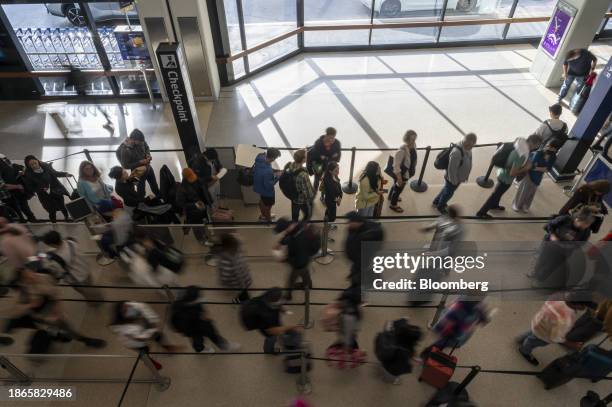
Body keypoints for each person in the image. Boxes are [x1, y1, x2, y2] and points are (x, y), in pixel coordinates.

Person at [6, 266, 106, 351]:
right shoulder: (25, 291)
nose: (32, 276)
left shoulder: (44, 277)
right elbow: (15, 311)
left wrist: (58, 309)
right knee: (63, 328)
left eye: (30, 272)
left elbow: (55, 293)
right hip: (42, 316)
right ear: (23, 281)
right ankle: (85, 340)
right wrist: (30, 305)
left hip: (53, 312)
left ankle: (65, 336)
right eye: (27, 277)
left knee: (63, 327)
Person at [517, 292, 595, 366]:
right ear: (578, 305)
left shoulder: (558, 295)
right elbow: (556, 338)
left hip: (539, 320)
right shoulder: (566, 319)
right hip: (544, 334)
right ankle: (524, 351)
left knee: (532, 332)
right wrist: (572, 344)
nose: (584, 308)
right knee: (533, 341)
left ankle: (520, 339)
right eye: (584, 306)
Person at [110, 301, 180, 370]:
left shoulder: (133, 305)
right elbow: (141, 338)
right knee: (144, 351)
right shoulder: (124, 328)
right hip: (133, 342)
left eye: (128, 306)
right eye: (125, 310)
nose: (129, 308)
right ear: (122, 316)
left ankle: (168, 348)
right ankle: (150, 363)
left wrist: (151, 322)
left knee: (158, 336)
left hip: (141, 327)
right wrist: (152, 330)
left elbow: (144, 309)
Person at [170, 286, 240, 353]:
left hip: (198, 323)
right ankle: (207, 348)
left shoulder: (186, 301)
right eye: (198, 298)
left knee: (204, 336)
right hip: (194, 328)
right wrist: (203, 318)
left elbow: (199, 307)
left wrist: (203, 313)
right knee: (201, 337)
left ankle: (216, 345)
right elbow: (181, 326)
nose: (201, 298)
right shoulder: (182, 314)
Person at [476, 137, 533, 219]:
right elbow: (513, 172)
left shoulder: (519, 145)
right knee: (495, 195)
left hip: (501, 172)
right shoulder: (522, 155)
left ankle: (494, 205)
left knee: (498, 193)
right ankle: (481, 212)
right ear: (533, 144)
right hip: (506, 179)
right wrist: (526, 168)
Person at [41, 230, 103, 303]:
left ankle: (94, 301)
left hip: (77, 278)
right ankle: (97, 295)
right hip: (85, 269)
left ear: (52, 244)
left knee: (85, 291)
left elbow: (58, 273)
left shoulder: (57, 258)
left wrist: (43, 258)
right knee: (90, 285)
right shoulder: (71, 241)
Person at [423, 295, 491, 356]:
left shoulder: (466, 298)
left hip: (452, 323)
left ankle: (427, 353)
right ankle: (429, 352)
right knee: (445, 341)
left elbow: (455, 302)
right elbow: (484, 321)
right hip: (457, 326)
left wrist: (449, 305)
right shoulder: (480, 308)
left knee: (443, 340)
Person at [244, 287, 303, 354]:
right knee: (271, 339)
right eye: (279, 300)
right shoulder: (266, 315)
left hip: (273, 322)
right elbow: (272, 331)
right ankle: (268, 351)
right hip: (268, 330)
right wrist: (291, 327)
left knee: (279, 329)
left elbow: (278, 304)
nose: (282, 301)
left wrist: (283, 310)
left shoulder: (266, 298)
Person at [274, 217, 318, 301]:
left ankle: (288, 295)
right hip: (306, 256)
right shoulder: (297, 225)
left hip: (300, 261)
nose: (284, 232)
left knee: (291, 279)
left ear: (287, 227)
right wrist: (281, 242)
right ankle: (308, 284)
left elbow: (299, 260)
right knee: (305, 271)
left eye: (283, 230)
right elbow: (288, 235)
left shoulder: (299, 240)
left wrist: (284, 259)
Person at [432, 133, 476, 214]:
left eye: (473, 145)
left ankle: (436, 201)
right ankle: (440, 206)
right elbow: (451, 169)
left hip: (458, 178)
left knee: (446, 190)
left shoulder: (467, 148)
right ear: (466, 142)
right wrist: (454, 181)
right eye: (470, 145)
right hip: (453, 179)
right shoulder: (456, 153)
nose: (471, 147)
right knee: (448, 193)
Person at [22, 155, 71, 222]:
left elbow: (54, 173)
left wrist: (65, 174)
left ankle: (67, 218)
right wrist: (41, 189)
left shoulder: (45, 166)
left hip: (56, 190)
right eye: (31, 165)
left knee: (62, 206)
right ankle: (54, 223)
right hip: (44, 196)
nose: (34, 165)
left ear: (37, 161)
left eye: (35, 163)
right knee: (51, 210)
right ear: (28, 166)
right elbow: (31, 188)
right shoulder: (28, 174)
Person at [374, 318, 422, 384]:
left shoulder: (394, 335)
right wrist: (411, 362)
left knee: (385, 368)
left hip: (385, 359)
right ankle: (390, 380)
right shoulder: (403, 351)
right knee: (389, 376)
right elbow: (401, 365)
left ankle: (384, 371)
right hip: (391, 368)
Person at [512, 144, 556, 213]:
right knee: (523, 190)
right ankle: (516, 204)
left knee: (532, 192)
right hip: (529, 174)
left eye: (551, 147)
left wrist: (537, 168)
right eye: (548, 146)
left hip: (538, 176)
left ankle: (526, 206)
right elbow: (532, 165)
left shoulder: (553, 157)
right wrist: (540, 168)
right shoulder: (539, 153)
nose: (548, 148)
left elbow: (547, 169)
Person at [115, 129, 160, 197]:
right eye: (140, 142)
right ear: (133, 140)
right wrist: (140, 162)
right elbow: (125, 166)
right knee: (141, 191)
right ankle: (142, 204)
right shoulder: (125, 150)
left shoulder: (141, 140)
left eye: (142, 141)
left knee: (154, 185)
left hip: (147, 167)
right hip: (136, 172)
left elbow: (146, 147)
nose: (142, 143)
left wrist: (148, 154)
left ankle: (160, 197)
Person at [344, 211, 384, 287]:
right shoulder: (352, 228)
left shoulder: (371, 232)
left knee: (364, 273)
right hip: (357, 261)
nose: (348, 223)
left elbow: (378, 238)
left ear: (356, 221)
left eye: (350, 221)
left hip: (363, 260)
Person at [175, 168, 210, 245]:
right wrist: (194, 205)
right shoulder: (181, 189)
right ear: (185, 178)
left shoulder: (196, 181)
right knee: (196, 227)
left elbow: (203, 182)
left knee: (203, 224)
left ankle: (205, 236)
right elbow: (180, 203)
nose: (193, 178)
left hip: (201, 209)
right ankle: (201, 240)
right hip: (192, 212)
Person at [216, 233, 253, 304]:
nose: (236, 248)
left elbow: (226, 275)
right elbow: (225, 275)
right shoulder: (226, 259)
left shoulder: (228, 255)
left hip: (241, 278)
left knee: (244, 290)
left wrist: (224, 281)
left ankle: (243, 297)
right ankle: (242, 298)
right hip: (240, 279)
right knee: (243, 291)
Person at [0, 153, 36, 222]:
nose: (6, 161)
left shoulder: (12, 166)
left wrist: (21, 172)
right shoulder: (3, 167)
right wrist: (18, 186)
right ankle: (22, 221)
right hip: (6, 196)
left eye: (6, 159)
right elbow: (2, 186)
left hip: (16, 193)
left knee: (24, 208)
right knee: (15, 213)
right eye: (4, 160)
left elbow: (23, 169)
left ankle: (31, 219)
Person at [388, 130, 417, 213]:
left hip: (407, 172)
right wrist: (399, 178)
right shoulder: (402, 150)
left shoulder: (413, 145)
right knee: (398, 189)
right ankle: (393, 204)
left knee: (396, 187)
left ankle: (391, 196)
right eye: (412, 139)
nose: (414, 141)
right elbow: (396, 166)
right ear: (407, 139)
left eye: (415, 139)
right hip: (402, 174)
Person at [284, 149, 314, 222]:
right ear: (303, 159)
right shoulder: (303, 175)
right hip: (301, 199)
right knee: (308, 214)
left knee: (295, 212)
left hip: (292, 194)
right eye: (306, 156)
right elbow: (308, 194)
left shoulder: (289, 165)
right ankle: (302, 226)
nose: (307, 157)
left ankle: (294, 222)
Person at [309, 127, 341, 193]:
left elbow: (338, 153)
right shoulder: (318, 143)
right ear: (326, 135)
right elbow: (313, 155)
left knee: (329, 180)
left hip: (329, 165)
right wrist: (320, 156)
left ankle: (324, 193)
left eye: (333, 137)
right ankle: (314, 191)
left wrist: (336, 156)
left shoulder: (336, 143)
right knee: (317, 178)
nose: (332, 140)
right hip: (319, 164)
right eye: (330, 137)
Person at [253, 148, 281, 222]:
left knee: (262, 201)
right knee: (268, 206)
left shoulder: (260, 156)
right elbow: (269, 186)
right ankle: (268, 221)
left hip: (259, 186)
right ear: (272, 158)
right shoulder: (267, 171)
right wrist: (277, 177)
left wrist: (274, 171)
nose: (275, 160)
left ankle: (263, 215)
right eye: (275, 158)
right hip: (267, 192)